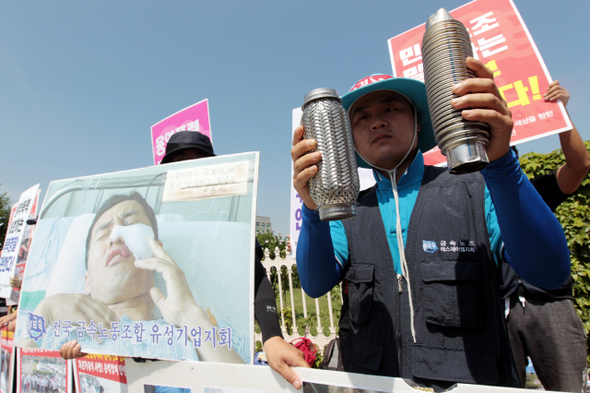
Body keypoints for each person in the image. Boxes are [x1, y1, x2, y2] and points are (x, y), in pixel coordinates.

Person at [291, 57, 571, 389]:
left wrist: (501, 166)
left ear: (419, 121)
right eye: (362, 117)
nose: (377, 122)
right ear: (348, 139)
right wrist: (313, 208)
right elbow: (315, 282)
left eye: (391, 109)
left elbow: (550, 271)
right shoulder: (349, 213)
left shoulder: (474, 186)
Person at [61, 131, 310, 390]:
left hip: (207, 354)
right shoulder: (149, 217)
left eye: (198, 162)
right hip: (142, 364)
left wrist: (272, 336)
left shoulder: (230, 224)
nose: (190, 170)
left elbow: (255, 276)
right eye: (180, 164)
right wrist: (85, 344)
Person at [36, 191, 245, 363]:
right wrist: (45, 311)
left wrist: (189, 314)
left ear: (156, 250)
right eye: (103, 234)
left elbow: (246, 386)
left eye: (130, 224)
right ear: (87, 280)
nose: (116, 236)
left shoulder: (210, 332)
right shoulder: (51, 325)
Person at [501, 81, 590, 391]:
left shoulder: (533, 193)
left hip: (550, 304)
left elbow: (579, 166)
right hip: (497, 312)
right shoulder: (464, 202)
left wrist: (559, 115)